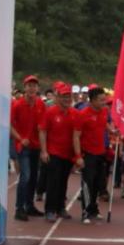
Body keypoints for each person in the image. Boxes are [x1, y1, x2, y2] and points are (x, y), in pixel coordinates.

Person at [73, 87, 113, 223]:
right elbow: (76, 136)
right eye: (101, 100)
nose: (104, 102)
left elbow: (104, 124)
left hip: (101, 153)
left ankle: (94, 210)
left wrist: (112, 131)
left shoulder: (104, 111)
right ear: (93, 101)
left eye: (104, 99)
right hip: (87, 154)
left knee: (98, 183)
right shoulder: (83, 114)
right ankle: (86, 212)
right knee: (87, 183)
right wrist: (78, 156)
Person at [40, 81, 78, 222]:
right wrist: (44, 151)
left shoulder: (74, 113)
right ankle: (50, 210)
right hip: (53, 153)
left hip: (68, 154)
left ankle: (60, 207)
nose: (67, 99)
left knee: (63, 182)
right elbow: (42, 131)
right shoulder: (50, 112)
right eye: (64, 96)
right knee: (53, 183)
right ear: (58, 97)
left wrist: (77, 155)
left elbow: (77, 135)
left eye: (69, 96)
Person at [11, 75, 45, 221]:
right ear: (24, 87)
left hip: (36, 146)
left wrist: (44, 149)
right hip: (23, 146)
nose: (32, 88)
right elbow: (10, 125)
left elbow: (42, 127)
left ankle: (29, 206)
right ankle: (19, 209)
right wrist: (20, 138)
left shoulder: (40, 104)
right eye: (29, 85)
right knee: (25, 176)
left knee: (34, 177)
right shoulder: (17, 105)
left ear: (38, 88)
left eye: (34, 86)